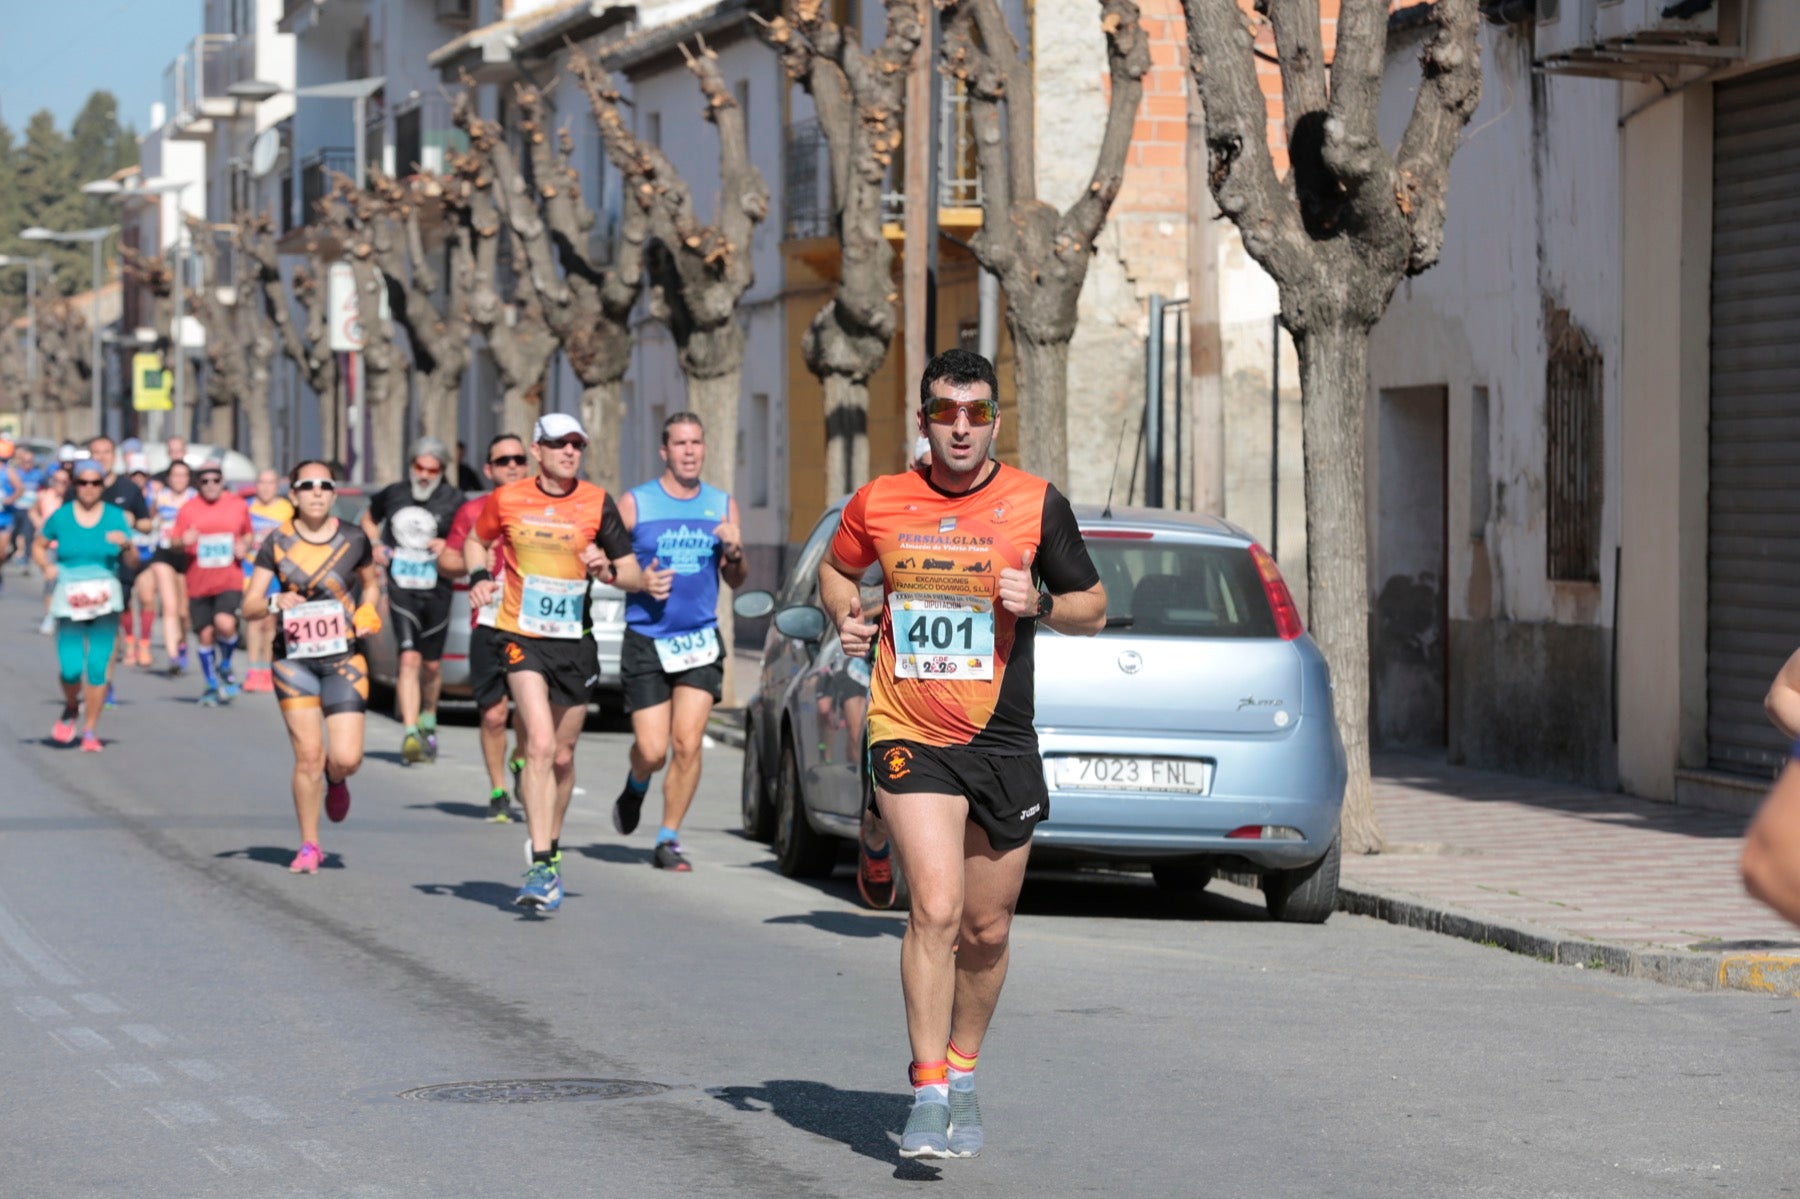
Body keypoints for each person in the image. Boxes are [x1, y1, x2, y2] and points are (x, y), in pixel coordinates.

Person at [819, 348, 1107, 1160]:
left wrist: (1042, 601)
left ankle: (966, 1066)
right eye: (945, 411)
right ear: (922, 419)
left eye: (976, 412)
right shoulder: (879, 501)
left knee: (985, 926)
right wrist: (848, 614)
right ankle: (927, 1090)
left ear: (994, 422)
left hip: (1002, 738)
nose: (960, 426)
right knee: (936, 909)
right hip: (908, 725)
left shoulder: (1035, 503)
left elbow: (1094, 603)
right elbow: (838, 574)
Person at [465, 414, 644, 912]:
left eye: (576, 444)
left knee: (562, 757)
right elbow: (475, 540)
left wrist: (605, 567)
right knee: (539, 745)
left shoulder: (596, 502)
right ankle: (540, 862)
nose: (569, 451)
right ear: (536, 450)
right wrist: (479, 573)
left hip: (575, 642)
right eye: (558, 443)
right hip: (521, 635)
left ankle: (553, 846)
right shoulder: (507, 499)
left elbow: (631, 574)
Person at [610, 412, 746, 872]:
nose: (690, 451)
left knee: (687, 744)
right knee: (653, 749)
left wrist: (734, 551)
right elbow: (611, 567)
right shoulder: (635, 503)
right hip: (647, 640)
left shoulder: (722, 505)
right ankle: (636, 782)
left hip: (699, 640)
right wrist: (639, 580)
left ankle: (668, 838)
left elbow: (736, 579)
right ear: (664, 451)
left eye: (697, 443)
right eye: (681, 443)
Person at [244, 460, 383, 874]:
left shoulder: (354, 538)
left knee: (345, 756)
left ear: (334, 494)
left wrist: (368, 610)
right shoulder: (276, 541)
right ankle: (309, 844)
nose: (317, 492)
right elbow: (248, 605)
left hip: (343, 657)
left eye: (326, 485)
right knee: (308, 756)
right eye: (308, 485)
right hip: (293, 660)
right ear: (294, 495)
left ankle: (336, 779)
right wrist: (273, 601)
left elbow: (371, 582)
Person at [440, 433, 534, 822]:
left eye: (518, 459)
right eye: (503, 461)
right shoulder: (473, 510)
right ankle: (498, 790)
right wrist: (476, 562)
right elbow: (446, 562)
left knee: (530, 714)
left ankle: (520, 760)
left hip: (533, 624)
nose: (512, 466)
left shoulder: (542, 507)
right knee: (494, 715)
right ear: (488, 469)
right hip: (490, 621)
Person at [362, 437, 463, 764]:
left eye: (432, 469)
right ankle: (408, 733)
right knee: (408, 659)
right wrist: (376, 543)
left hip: (438, 590)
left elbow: (469, 540)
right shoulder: (394, 493)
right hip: (402, 587)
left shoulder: (454, 500)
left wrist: (447, 545)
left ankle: (428, 718)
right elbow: (368, 518)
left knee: (432, 666)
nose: (424, 474)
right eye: (419, 467)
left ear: (442, 471)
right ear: (411, 465)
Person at [34, 458, 140, 751]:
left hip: (105, 600)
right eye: (83, 482)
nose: (89, 488)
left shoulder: (116, 517)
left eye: (95, 482)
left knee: (97, 666)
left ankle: (91, 729)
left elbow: (134, 562)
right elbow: (38, 544)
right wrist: (45, 566)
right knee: (69, 668)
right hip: (69, 599)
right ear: (75, 485)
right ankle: (71, 706)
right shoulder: (61, 516)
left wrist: (128, 546)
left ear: (102, 484)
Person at [171, 460, 253, 706]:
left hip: (229, 577)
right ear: (198, 484)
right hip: (198, 581)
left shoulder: (237, 505)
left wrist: (244, 546)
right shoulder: (188, 508)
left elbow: (248, 534)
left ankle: (226, 664)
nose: (210, 485)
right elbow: (174, 540)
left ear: (222, 481)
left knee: (225, 624)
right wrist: (184, 540)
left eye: (215, 480)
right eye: (204, 481)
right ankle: (210, 684)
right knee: (205, 635)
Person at [88, 436, 154, 704]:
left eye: (106, 452)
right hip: (88, 567)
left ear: (114, 456)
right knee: (91, 628)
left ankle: (105, 682)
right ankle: (96, 679)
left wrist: (134, 523)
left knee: (109, 626)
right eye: (96, 452)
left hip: (119, 567)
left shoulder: (128, 488)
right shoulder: (82, 487)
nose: (101, 457)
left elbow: (148, 523)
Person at [243, 469, 296, 693]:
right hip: (250, 570)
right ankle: (252, 668)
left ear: (277, 486)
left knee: (269, 622)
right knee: (254, 619)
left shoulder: (287, 510)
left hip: (275, 572)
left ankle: (266, 669)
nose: (265, 488)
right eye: (261, 483)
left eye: (270, 483)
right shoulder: (247, 507)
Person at [146, 459, 196, 674]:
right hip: (164, 553)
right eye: (175, 475)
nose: (179, 480)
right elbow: (150, 519)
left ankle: (182, 642)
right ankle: (173, 655)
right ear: (169, 477)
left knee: (184, 611)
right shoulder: (160, 496)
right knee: (169, 606)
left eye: (183, 475)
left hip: (186, 555)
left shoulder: (194, 497)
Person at [122, 454, 161, 668]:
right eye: (134, 475)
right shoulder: (122, 495)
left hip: (147, 554)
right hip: (126, 556)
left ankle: (144, 644)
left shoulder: (154, 496)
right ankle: (129, 644)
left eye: (142, 475)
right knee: (125, 602)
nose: (138, 479)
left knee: (147, 598)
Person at [32, 466, 68, 635]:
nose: (60, 484)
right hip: (50, 546)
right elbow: (32, 511)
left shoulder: (71, 500)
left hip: (67, 546)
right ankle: (49, 617)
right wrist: (40, 524)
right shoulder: (45, 496)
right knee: (51, 582)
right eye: (57, 481)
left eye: (64, 481)